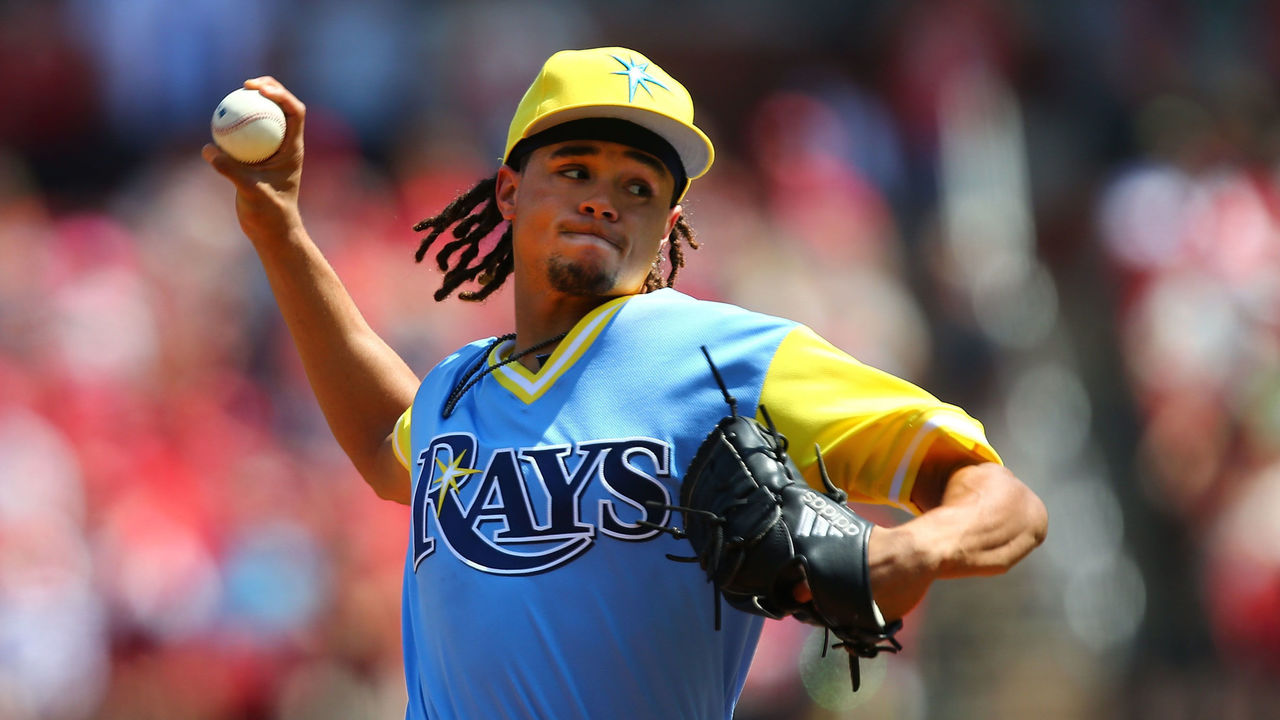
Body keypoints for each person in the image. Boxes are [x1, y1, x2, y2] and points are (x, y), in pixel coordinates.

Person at [203, 46, 1048, 720]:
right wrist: (279, 230)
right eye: (575, 170)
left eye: (638, 187)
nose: (604, 200)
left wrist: (910, 551)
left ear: (669, 224)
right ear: (509, 191)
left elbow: (1004, 500)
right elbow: (383, 439)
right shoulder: (459, 389)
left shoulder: (727, 358)